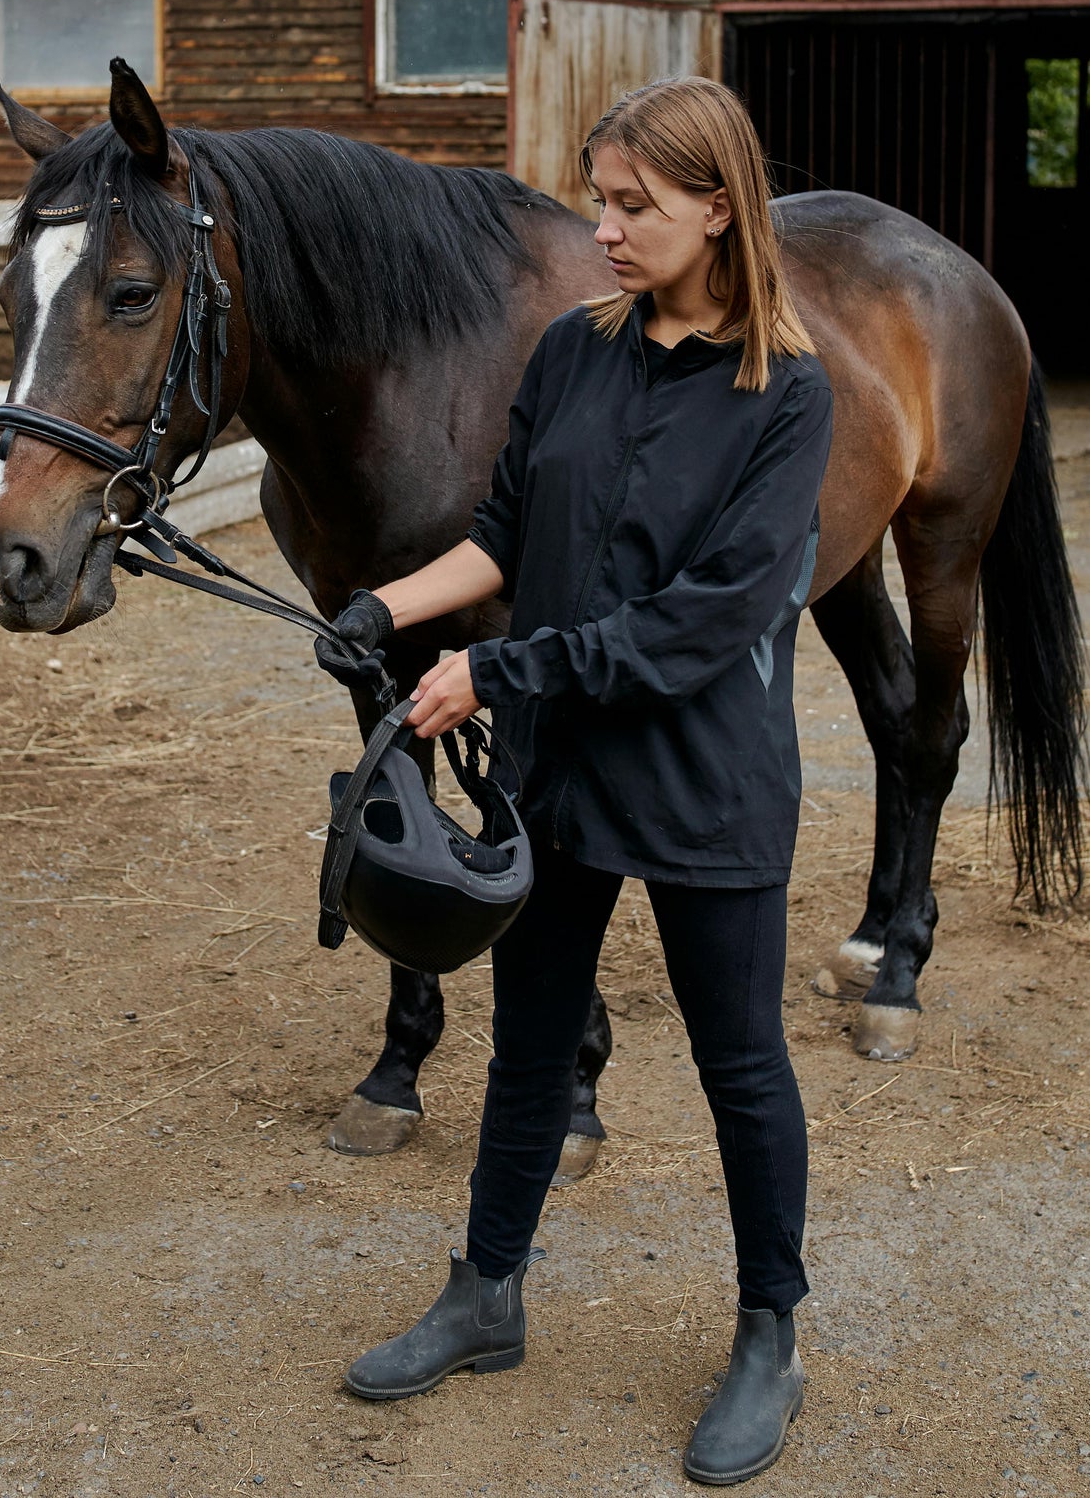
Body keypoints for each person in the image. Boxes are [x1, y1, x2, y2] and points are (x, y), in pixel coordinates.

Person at [317, 75, 833, 1487]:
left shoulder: (786, 393)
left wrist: (497, 673)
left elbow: (706, 620)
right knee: (531, 1044)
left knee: (740, 1065)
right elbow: (501, 532)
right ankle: (486, 1293)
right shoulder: (571, 351)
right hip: (559, 773)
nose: (601, 229)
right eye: (597, 200)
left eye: (632, 206)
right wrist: (385, 605)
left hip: (704, 776)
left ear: (717, 209)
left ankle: (769, 1334)